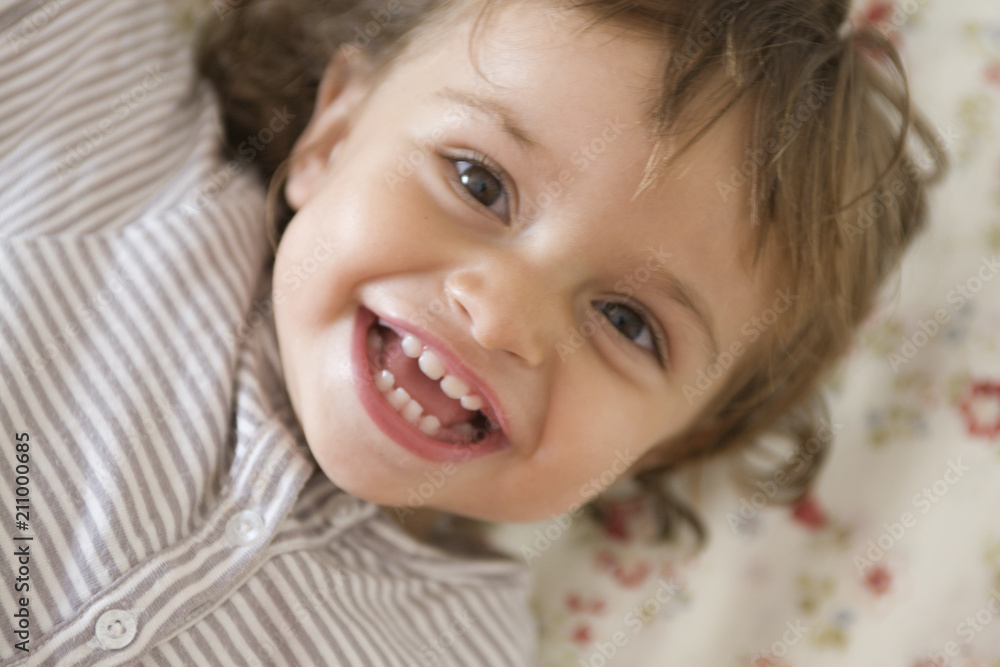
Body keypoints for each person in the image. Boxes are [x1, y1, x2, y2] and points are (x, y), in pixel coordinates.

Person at [0, 0, 943, 664]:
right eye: (477, 182)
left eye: (626, 322)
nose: (502, 313)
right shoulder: (124, 175)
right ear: (334, 137)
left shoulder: (462, 648)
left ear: (675, 440)